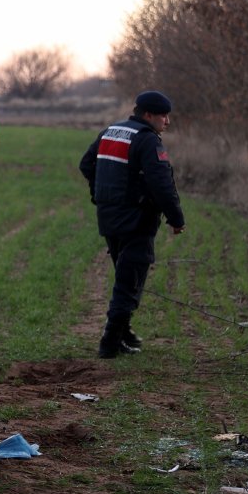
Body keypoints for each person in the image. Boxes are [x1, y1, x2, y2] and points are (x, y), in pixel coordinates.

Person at [78, 90, 185, 359]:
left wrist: (100, 193)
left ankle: (124, 334)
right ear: (148, 115)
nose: (167, 121)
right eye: (163, 116)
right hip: (137, 221)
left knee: (126, 279)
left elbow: (86, 164)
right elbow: (162, 184)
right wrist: (176, 218)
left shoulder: (111, 131)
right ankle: (110, 343)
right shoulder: (147, 140)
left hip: (109, 218)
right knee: (129, 284)